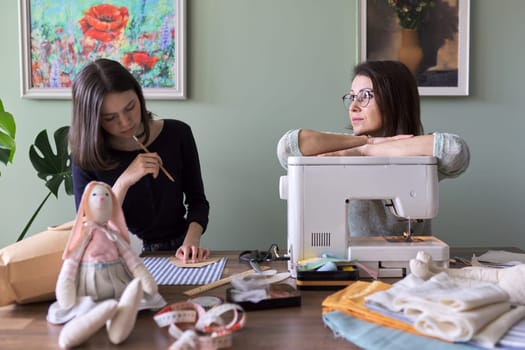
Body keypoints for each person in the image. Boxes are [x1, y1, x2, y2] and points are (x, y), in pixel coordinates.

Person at [277, 60, 470, 237]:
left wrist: (366, 151)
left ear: (394, 99)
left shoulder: (419, 153)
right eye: (352, 97)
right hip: (346, 264)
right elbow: (287, 147)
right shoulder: (341, 149)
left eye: (365, 96)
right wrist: (366, 143)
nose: (353, 106)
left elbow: (455, 150)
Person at [69, 58, 210, 262]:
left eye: (130, 107)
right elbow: (89, 227)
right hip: (117, 256)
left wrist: (191, 241)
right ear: (93, 119)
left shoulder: (178, 134)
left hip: (179, 250)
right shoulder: (86, 156)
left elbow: (198, 202)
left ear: (139, 97)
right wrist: (125, 180)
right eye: (110, 118)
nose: (125, 122)